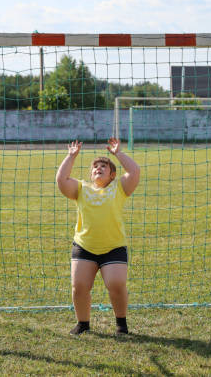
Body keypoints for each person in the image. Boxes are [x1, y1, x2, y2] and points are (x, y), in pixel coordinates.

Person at [56, 137, 140, 335]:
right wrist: (71, 156)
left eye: (104, 166)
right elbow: (61, 180)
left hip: (113, 247)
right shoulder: (81, 188)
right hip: (84, 246)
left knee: (116, 284)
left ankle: (121, 324)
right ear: (91, 174)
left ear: (112, 174)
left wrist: (117, 154)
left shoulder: (119, 188)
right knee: (79, 286)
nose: (98, 168)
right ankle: (83, 324)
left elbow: (135, 171)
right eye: (95, 167)